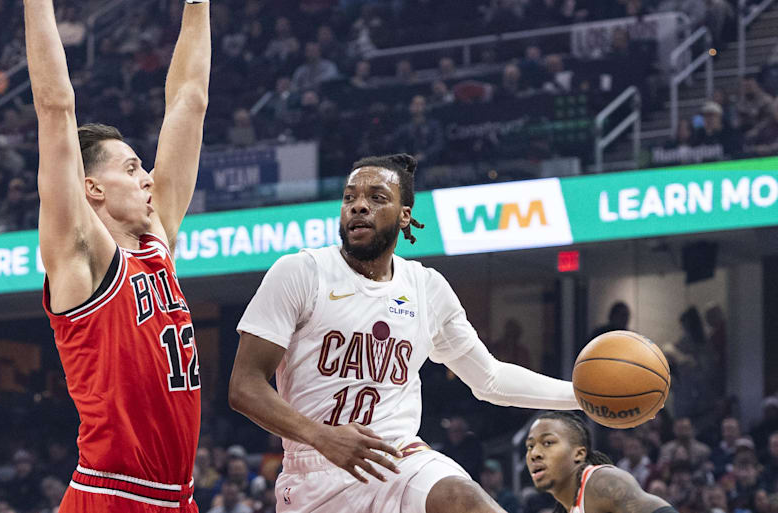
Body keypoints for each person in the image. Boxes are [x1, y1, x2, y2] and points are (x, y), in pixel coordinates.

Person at [229, 153, 581, 513]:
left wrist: (582, 397)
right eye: (350, 197)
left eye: (377, 197)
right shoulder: (301, 272)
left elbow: (490, 378)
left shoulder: (426, 287)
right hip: (316, 471)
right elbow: (244, 386)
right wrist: (320, 435)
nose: (358, 206)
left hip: (399, 460)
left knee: (461, 496)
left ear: (404, 215)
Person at [25, 0, 210, 510]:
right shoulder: (80, 256)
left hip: (178, 497)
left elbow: (190, 100)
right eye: (131, 169)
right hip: (111, 493)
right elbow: (55, 106)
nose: (148, 178)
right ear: (92, 188)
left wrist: (197, 6)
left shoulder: (156, 241)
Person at [526, 411, 676, 513]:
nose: (534, 454)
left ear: (578, 454)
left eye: (548, 443)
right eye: (530, 446)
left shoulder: (600, 482)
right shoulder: (570, 506)